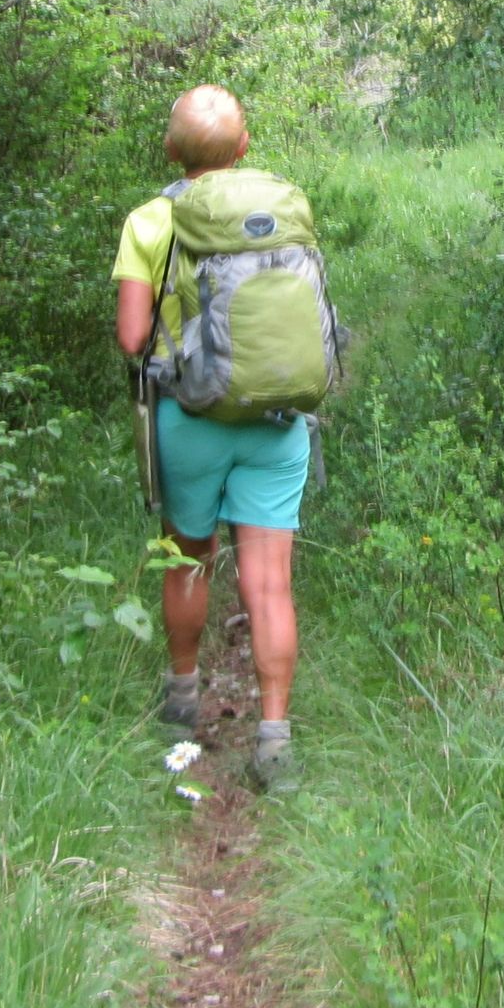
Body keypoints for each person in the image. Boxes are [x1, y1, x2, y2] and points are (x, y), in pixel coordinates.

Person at [113, 84, 310, 793]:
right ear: (244, 147)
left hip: (188, 420)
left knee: (188, 561)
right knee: (270, 582)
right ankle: (275, 741)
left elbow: (134, 337)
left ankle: (183, 697)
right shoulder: (280, 207)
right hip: (277, 422)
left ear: (170, 150)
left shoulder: (151, 219)